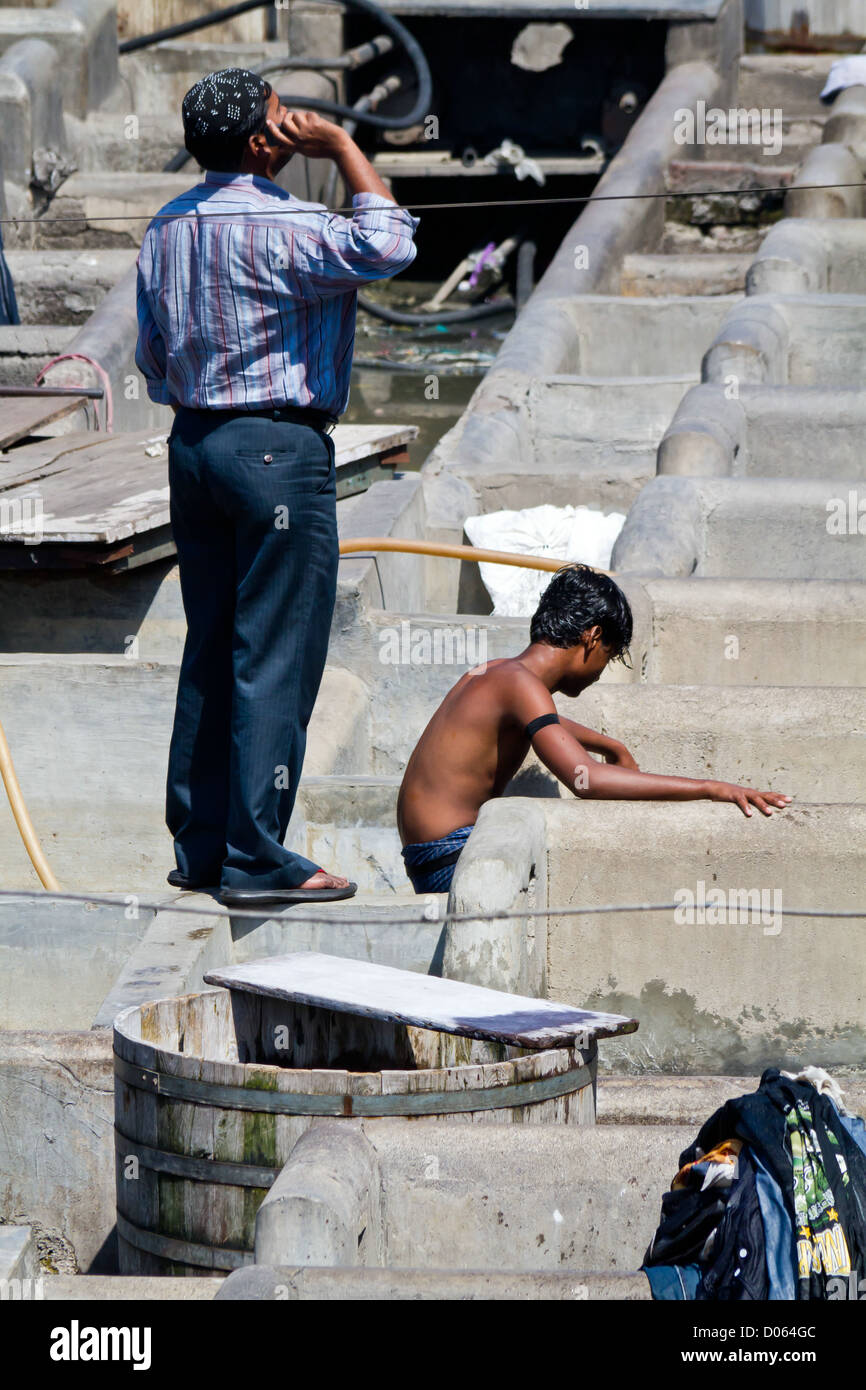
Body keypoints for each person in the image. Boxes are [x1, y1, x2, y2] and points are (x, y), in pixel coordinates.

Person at [135, 68, 419, 906]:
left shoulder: (167, 225)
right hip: (276, 455)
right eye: (279, 118)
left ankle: (201, 846)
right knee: (276, 655)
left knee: (213, 644)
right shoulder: (296, 224)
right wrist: (341, 144)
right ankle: (258, 858)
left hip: (195, 446)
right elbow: (392, 245)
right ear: (267, 142)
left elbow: (152, 360)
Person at [397, 564, 792, 894]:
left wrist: (608, 743)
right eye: (607, 657)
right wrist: (711, 788)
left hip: (427, 852)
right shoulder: (522, 686)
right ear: (593, 637)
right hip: (448, 857)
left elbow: (540, 723)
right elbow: (585, 782)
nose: (601, 671)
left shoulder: (499, 672)